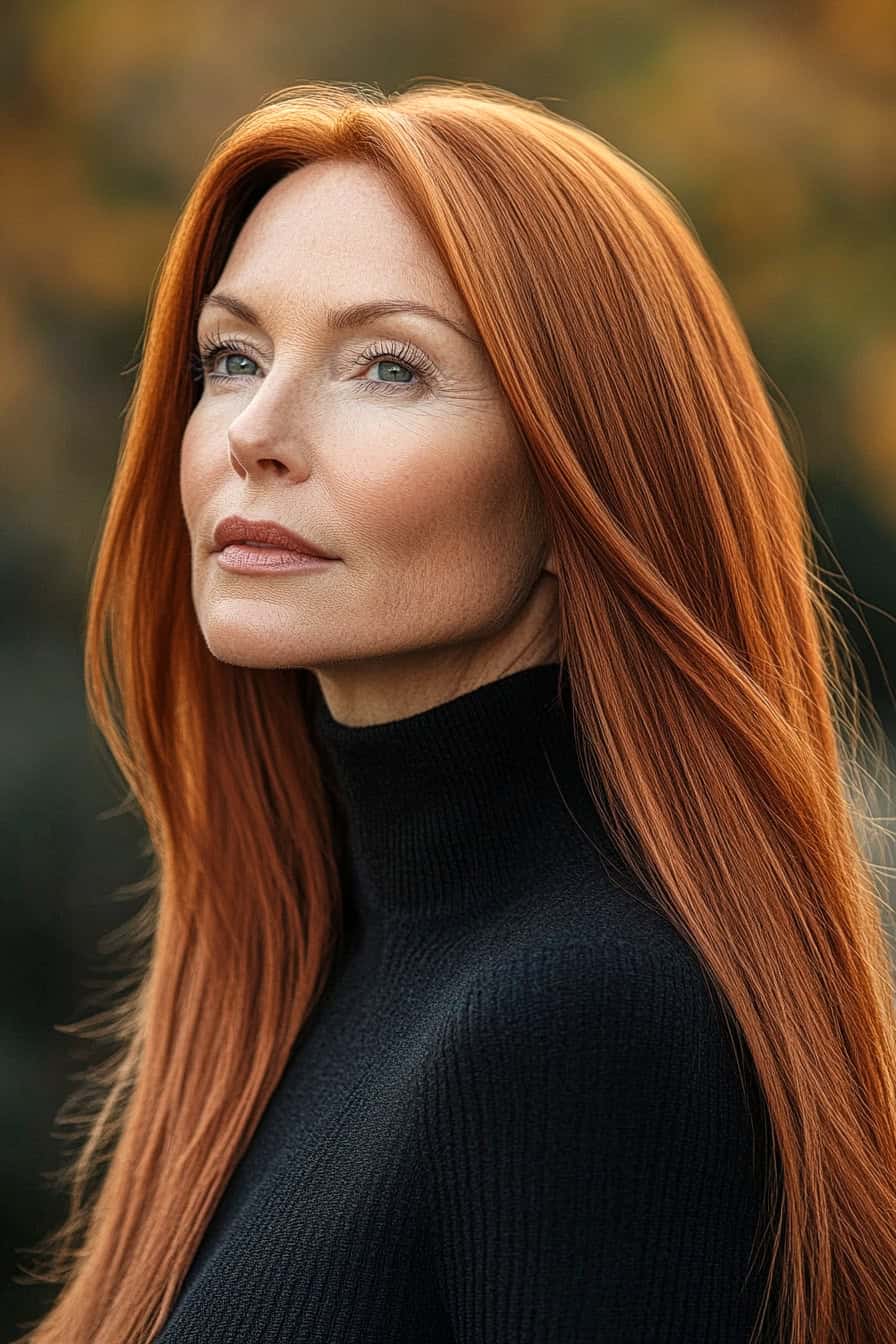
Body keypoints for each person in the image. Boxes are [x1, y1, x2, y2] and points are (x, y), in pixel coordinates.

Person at [15, 81, 896, 1344]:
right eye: (232, 356)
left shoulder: (577, 1021)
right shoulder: (300, 969)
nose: (253, 433)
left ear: (582, 480)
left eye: (387, 366)